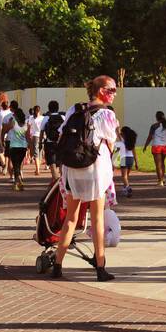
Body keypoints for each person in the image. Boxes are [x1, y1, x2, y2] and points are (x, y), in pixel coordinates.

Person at [53, 76, 120, 282]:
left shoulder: (74, 109)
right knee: (97, 218)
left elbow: (61, 135)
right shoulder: (107, 115)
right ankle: (100, 267)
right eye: (111, 89)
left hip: (73, 169)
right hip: (95, 170)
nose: (114, 93)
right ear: (101, 90)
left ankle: (57, 265)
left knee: (71, 218)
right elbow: (111, 144)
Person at [5, 105, 30, 190]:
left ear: (16, 115)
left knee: (15, 165)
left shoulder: (13, 121)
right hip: (23, 147)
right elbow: (28, 136)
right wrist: (30, 146)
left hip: (14, 146)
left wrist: (2, 139)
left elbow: (5, 130)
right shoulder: (26, 123)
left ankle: (17, 182)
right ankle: (17, 182)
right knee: (18, 165)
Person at [145, 111, 166, 187]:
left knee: (158, 165)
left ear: (156, 117)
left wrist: (145, 145)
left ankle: (160, 181)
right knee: (162, 163)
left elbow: (150, 137)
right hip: (165, 147)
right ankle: (163, 178)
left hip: (156, 146)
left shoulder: (154, 126)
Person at [44, 101, 64, 179]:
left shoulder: (46, 118)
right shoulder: (62, 117)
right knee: (61, 161)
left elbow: (42, 131)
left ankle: (55, 180)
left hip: (50, 142)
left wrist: (40, 143)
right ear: (57, 108)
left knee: (52, 162)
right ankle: (62, 180)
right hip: (60, 142)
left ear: (49, 108)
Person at [117, 126, 136, 196]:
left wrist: (117, 129)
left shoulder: (121, 142)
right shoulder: (131, 142)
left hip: (123, 159)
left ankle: (128, 188)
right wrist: (136, 162)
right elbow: (134, 153)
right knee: (126, 176)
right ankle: (125, 189)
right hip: (131, 158)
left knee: (124, 176)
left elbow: (118, 135)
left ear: (123, 134)